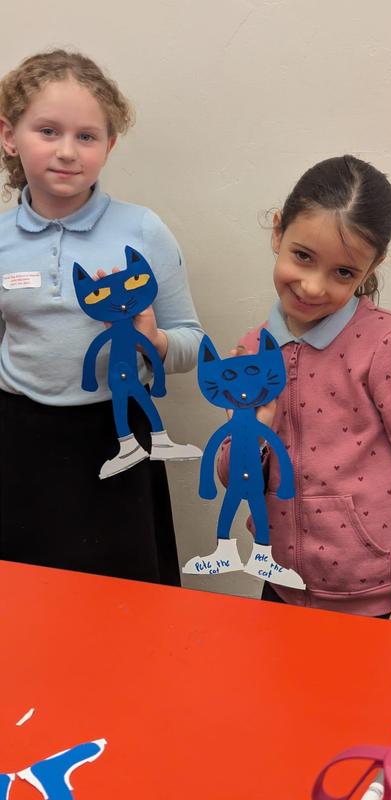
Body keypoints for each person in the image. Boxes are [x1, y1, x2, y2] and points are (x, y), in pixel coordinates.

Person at [217, 155, 391, 624]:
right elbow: (232, 479)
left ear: (372, 266)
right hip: (279, 587)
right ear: (278, 232)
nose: (312, 286)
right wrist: (250, 438)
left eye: (343, 272)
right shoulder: (251, 351)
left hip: (380, 604)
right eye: (302, 256)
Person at [0, 49, 203, 584]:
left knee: (124, 603)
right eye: (48, 131)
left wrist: (156, 343)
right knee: (27, 600)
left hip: (116, 441)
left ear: (109, 146)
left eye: (87, 136)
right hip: (18, 443)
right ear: (8, 136)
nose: (67, 152)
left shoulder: (143, 231)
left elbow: (194, 343)